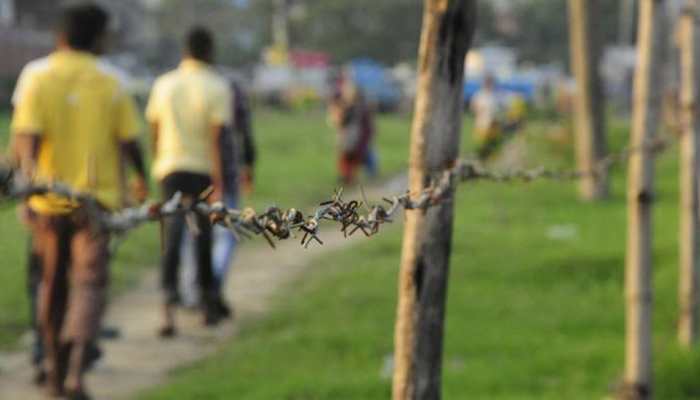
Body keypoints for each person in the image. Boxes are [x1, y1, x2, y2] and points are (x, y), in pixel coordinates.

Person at [10, 3, 148, 398]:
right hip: (96, 203)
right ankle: (75, 371)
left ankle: (52, 369)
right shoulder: (111, 81)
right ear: (100, 37)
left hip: (48, 202)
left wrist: (26, 191)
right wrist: (139, 178)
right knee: (88, 285)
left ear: (61, 35)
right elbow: (128, 140)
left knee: (52, 286)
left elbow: (28, 140)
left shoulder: (37, 76)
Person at [146, 27, 232, 337]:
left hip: (169, 168)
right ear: (208, 51)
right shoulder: (216, 86)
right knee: (203, 236)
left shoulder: (164, 84)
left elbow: (154, 129)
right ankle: (207, 305)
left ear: (185, 50)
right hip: (202, 170)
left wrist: (157, 163)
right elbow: (216, 139)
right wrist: (219, 181)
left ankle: (167, 309)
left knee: (172, 235)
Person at [179, 78, 256, 316]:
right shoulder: (228, 88)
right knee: (226, 236)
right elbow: (244, 133)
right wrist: (249, 164)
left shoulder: (181, 87)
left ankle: (194, 291)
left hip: (190, 173)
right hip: (224, 175)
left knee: (192, 234)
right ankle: (211, 288)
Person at [328, 79, 376, 184]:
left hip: (354, 138)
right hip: (350, 138)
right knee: (349, 158)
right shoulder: (351, 107)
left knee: (353, 157)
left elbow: (341, 121)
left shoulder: (357, 108)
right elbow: (338, 121)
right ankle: (348, 177)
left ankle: (350, 177)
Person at [471, 75, 504, 160]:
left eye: (491, 82)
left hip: (494, 124)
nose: (489, 84)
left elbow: (500, 109)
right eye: (488, 82)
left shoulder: (497, 94)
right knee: (482, 145)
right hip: (482, 124)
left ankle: (491, 160)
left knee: (493, 145)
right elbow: (474, 108)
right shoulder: (479, 95)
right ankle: (481, 160)